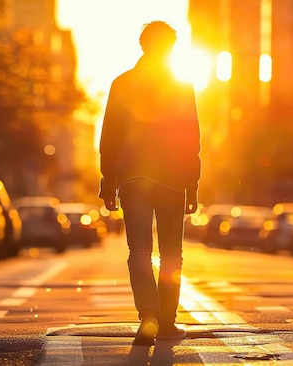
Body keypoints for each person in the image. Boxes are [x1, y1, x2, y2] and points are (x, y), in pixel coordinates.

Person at [98, 20, 201, 346]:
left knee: (140, 251)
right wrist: (192, 184)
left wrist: (108, 180)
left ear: (142, 45)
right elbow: (191, 139)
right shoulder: (182, 86)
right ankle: (167, 321)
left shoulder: (122, 83)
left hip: (133, 179)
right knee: (172, 254)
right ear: (171, 47)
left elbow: (109, 137)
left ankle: (149, 317)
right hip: (173, 180)